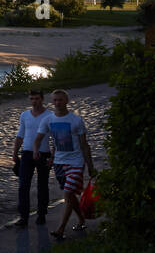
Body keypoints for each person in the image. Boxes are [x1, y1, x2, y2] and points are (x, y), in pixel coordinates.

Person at [35, 90, 95, 239]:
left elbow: (84, 145)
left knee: (68, 192)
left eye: (60, 100)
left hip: (76, 162)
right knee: (70, 195)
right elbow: (38, 138)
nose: (57, 103)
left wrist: (90, 166)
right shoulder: (48, 120)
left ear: (66, 100)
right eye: (54, 100)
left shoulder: (76, 120)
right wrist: (37, 151)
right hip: (59, 163)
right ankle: (81, 219)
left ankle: (61, 229)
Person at [13, 89, 53, 226]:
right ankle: (23, 217)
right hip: (26, 153)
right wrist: (14, 152)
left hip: (44, 153)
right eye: (32, 99)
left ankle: (41, 214)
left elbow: (55, 137)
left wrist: (53, 156)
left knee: (42, 185)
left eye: (37, 98)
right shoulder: (25, 115)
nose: (34, 101)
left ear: (42, 99)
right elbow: (20, 134)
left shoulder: (50, 115)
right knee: (23, 185)